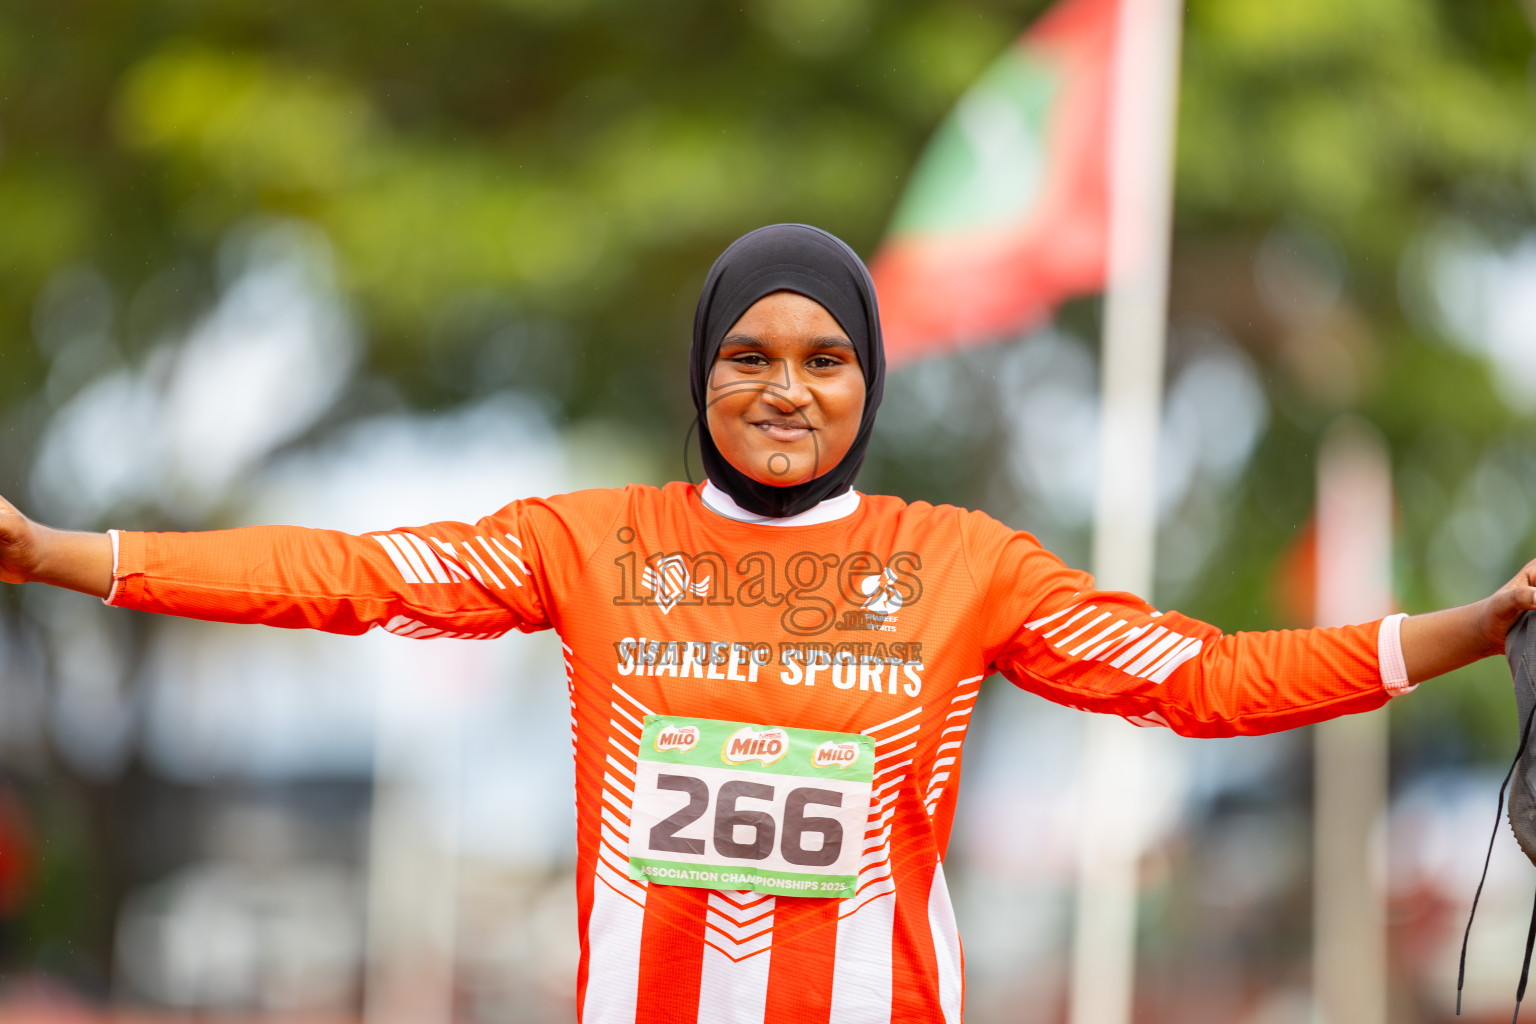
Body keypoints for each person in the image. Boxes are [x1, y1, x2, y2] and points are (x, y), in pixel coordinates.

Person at [0, 223, 1532, 1023]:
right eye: (746, 355)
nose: (783, 388)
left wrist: (1472, 626)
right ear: (701, 378)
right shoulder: (587, 545)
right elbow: (341, 572)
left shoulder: (967, 564)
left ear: (870, 381)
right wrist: (59, 550)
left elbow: (1207, 679)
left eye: (823, 358)